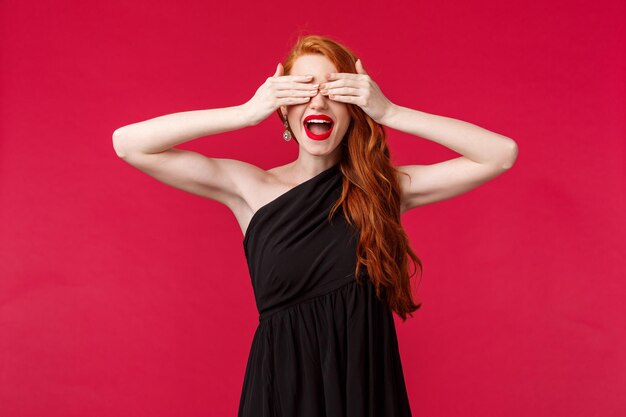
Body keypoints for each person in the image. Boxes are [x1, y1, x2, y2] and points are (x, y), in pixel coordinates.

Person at [112, 34, 518, 417]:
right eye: (302, 91)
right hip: (281, 394)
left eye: (333, 91)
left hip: (365, 392)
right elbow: (130, 144)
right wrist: (245, 113)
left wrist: (391, 112)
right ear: (283, 109)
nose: (317, 102)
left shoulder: (383, 190)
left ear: (354, 109)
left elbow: (500, 155)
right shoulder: (251, 187)